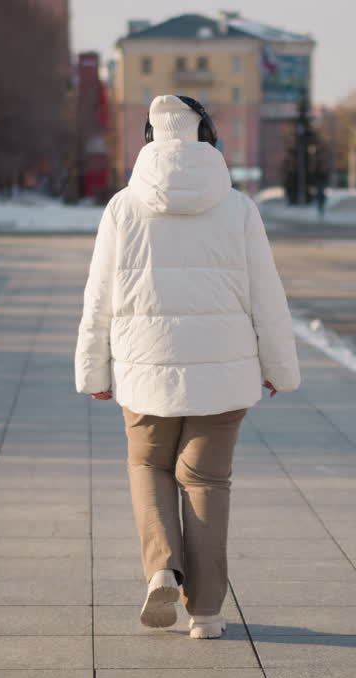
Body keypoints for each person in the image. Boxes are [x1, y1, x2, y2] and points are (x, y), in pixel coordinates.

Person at [74, 95, 300, 639]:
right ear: (208, 138)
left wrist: (94, 370)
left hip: (143, 368)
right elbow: (267, 295)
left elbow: (99, 295)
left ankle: (161, 569)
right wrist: (280, 368)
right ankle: (207, 613)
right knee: (205, 482)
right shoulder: (239, 207)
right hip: (223, 374)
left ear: (150, 140)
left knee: (149, 467)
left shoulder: (123, 207)